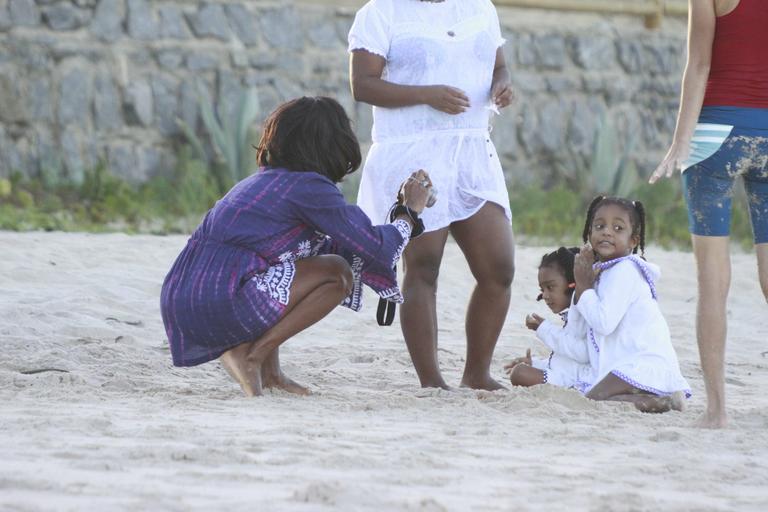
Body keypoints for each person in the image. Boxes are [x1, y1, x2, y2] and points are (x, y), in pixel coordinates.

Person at [160, 96, 433, 397]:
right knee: (337, 274)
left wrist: (398, 214)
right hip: (221, 299)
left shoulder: (263, 183)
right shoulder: (311, 188)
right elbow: (376, 249)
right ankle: (251, 354)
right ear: (334, 145)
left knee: (280, 267)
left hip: (183, 298)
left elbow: (340, 245)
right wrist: (410, 211)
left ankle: (271, 374)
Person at [348, 0, 516, 390]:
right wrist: (427, 94)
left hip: (472, 151)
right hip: (413, 150)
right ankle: (432, 381)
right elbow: (363, 85)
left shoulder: (480, 7)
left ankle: (477, 374)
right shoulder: (381, 12)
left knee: (500, 268)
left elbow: (498, 65)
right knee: (423, 267)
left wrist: (502, 84)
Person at [648, 0, 768, 427]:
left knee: (712, 281)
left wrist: (681, 143)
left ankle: (716, 411)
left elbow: (698, 66)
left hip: (716, 134)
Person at [572, 196, 691, 413]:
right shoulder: (604, 271)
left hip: (643, 363)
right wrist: (584, 282)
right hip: (626, 365)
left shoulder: (625, 270)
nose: (607, 232)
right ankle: (658, 398)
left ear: (633, 241)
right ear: (589, 233)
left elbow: (603, 323)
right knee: (592, 395)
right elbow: (581, 325)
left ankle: (660, 401)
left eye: (618, 228)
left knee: (592, 399)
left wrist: (583, 285)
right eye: (599, 226)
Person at [504, 247, 597, 393]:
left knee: (520, 374)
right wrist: (535, 363)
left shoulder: (582, 312)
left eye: (550, 287)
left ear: (572, 282)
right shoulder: (573, 311)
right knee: (521, 370)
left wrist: (544, 329)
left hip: (575, 380)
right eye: (542, 290)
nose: (545, 295)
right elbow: (563, 361)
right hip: (566, 375)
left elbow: (583, 353)